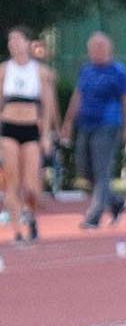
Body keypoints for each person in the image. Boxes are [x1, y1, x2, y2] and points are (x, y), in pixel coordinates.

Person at [59, 32, 126, 229]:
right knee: (84, 169)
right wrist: (68, 121)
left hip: (108, 126)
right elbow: (78, 96)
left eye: (101, 47)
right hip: (85, 125)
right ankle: (116, 202)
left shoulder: (119, 72)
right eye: (94, 48)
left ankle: (94, 215)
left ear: (109, 49)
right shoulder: (86, 71)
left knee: (102, 170)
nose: (97, 52)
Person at [1, 26, 59, 244]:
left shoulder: (41, 72)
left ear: (28, 43)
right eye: (11, 40)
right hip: (9, 127)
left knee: (31, 185)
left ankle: (31, 216)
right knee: (12, 181)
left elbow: (48, 105)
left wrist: (46, 134)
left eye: (18, 40)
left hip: (31, 128)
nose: (14, 44)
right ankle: (17, 230)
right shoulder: (4, 70)